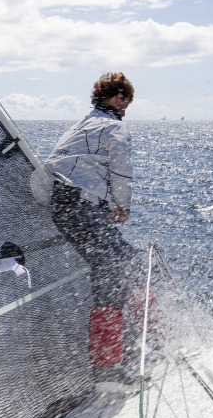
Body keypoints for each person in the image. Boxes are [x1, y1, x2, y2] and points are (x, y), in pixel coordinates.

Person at [45, 72, 144, 385]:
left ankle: (139, 338)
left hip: (67, 208)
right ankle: (107, 369)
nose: (126, 108)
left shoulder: (78, 126)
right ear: (118, 98)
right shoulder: (114, 126)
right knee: (113, 273)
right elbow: (121, 170)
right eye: (125, 101)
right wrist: (123, 206)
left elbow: (55, 166)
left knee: (128, 260)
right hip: (83, 208)